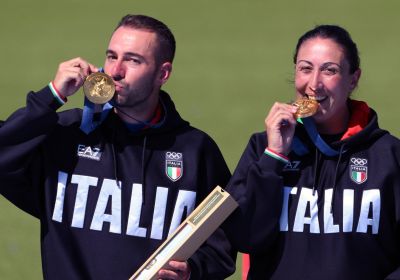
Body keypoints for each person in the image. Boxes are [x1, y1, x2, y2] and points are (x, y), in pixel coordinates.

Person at [0, 14, 235, 280]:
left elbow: (222, 245)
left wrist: (193, 271)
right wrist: (52, 96)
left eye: (133, 60)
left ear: (163, 73)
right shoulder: (67, 134)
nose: (116, 71)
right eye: (112, 56)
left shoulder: (195, 151)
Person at [224, 24, 400, 279]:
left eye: (330, 70)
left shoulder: (389, 155)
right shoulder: (263, 148)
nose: (314, 84)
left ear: (353, 79)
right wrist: (275, 156)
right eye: (305, 68)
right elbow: (244, 237)